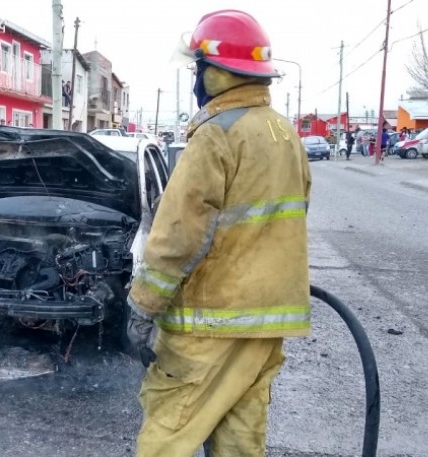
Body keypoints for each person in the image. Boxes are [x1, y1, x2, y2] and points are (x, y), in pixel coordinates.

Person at [126, 10, 312, 457]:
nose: (196, 78)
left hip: (211, 321)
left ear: (218, 74)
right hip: (266, 324)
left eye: (199, 69)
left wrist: (141, 307)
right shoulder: (284, 133)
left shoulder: (215, 136)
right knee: (239, 438)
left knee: (166, 434)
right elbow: (295, 210)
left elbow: (178, 236)